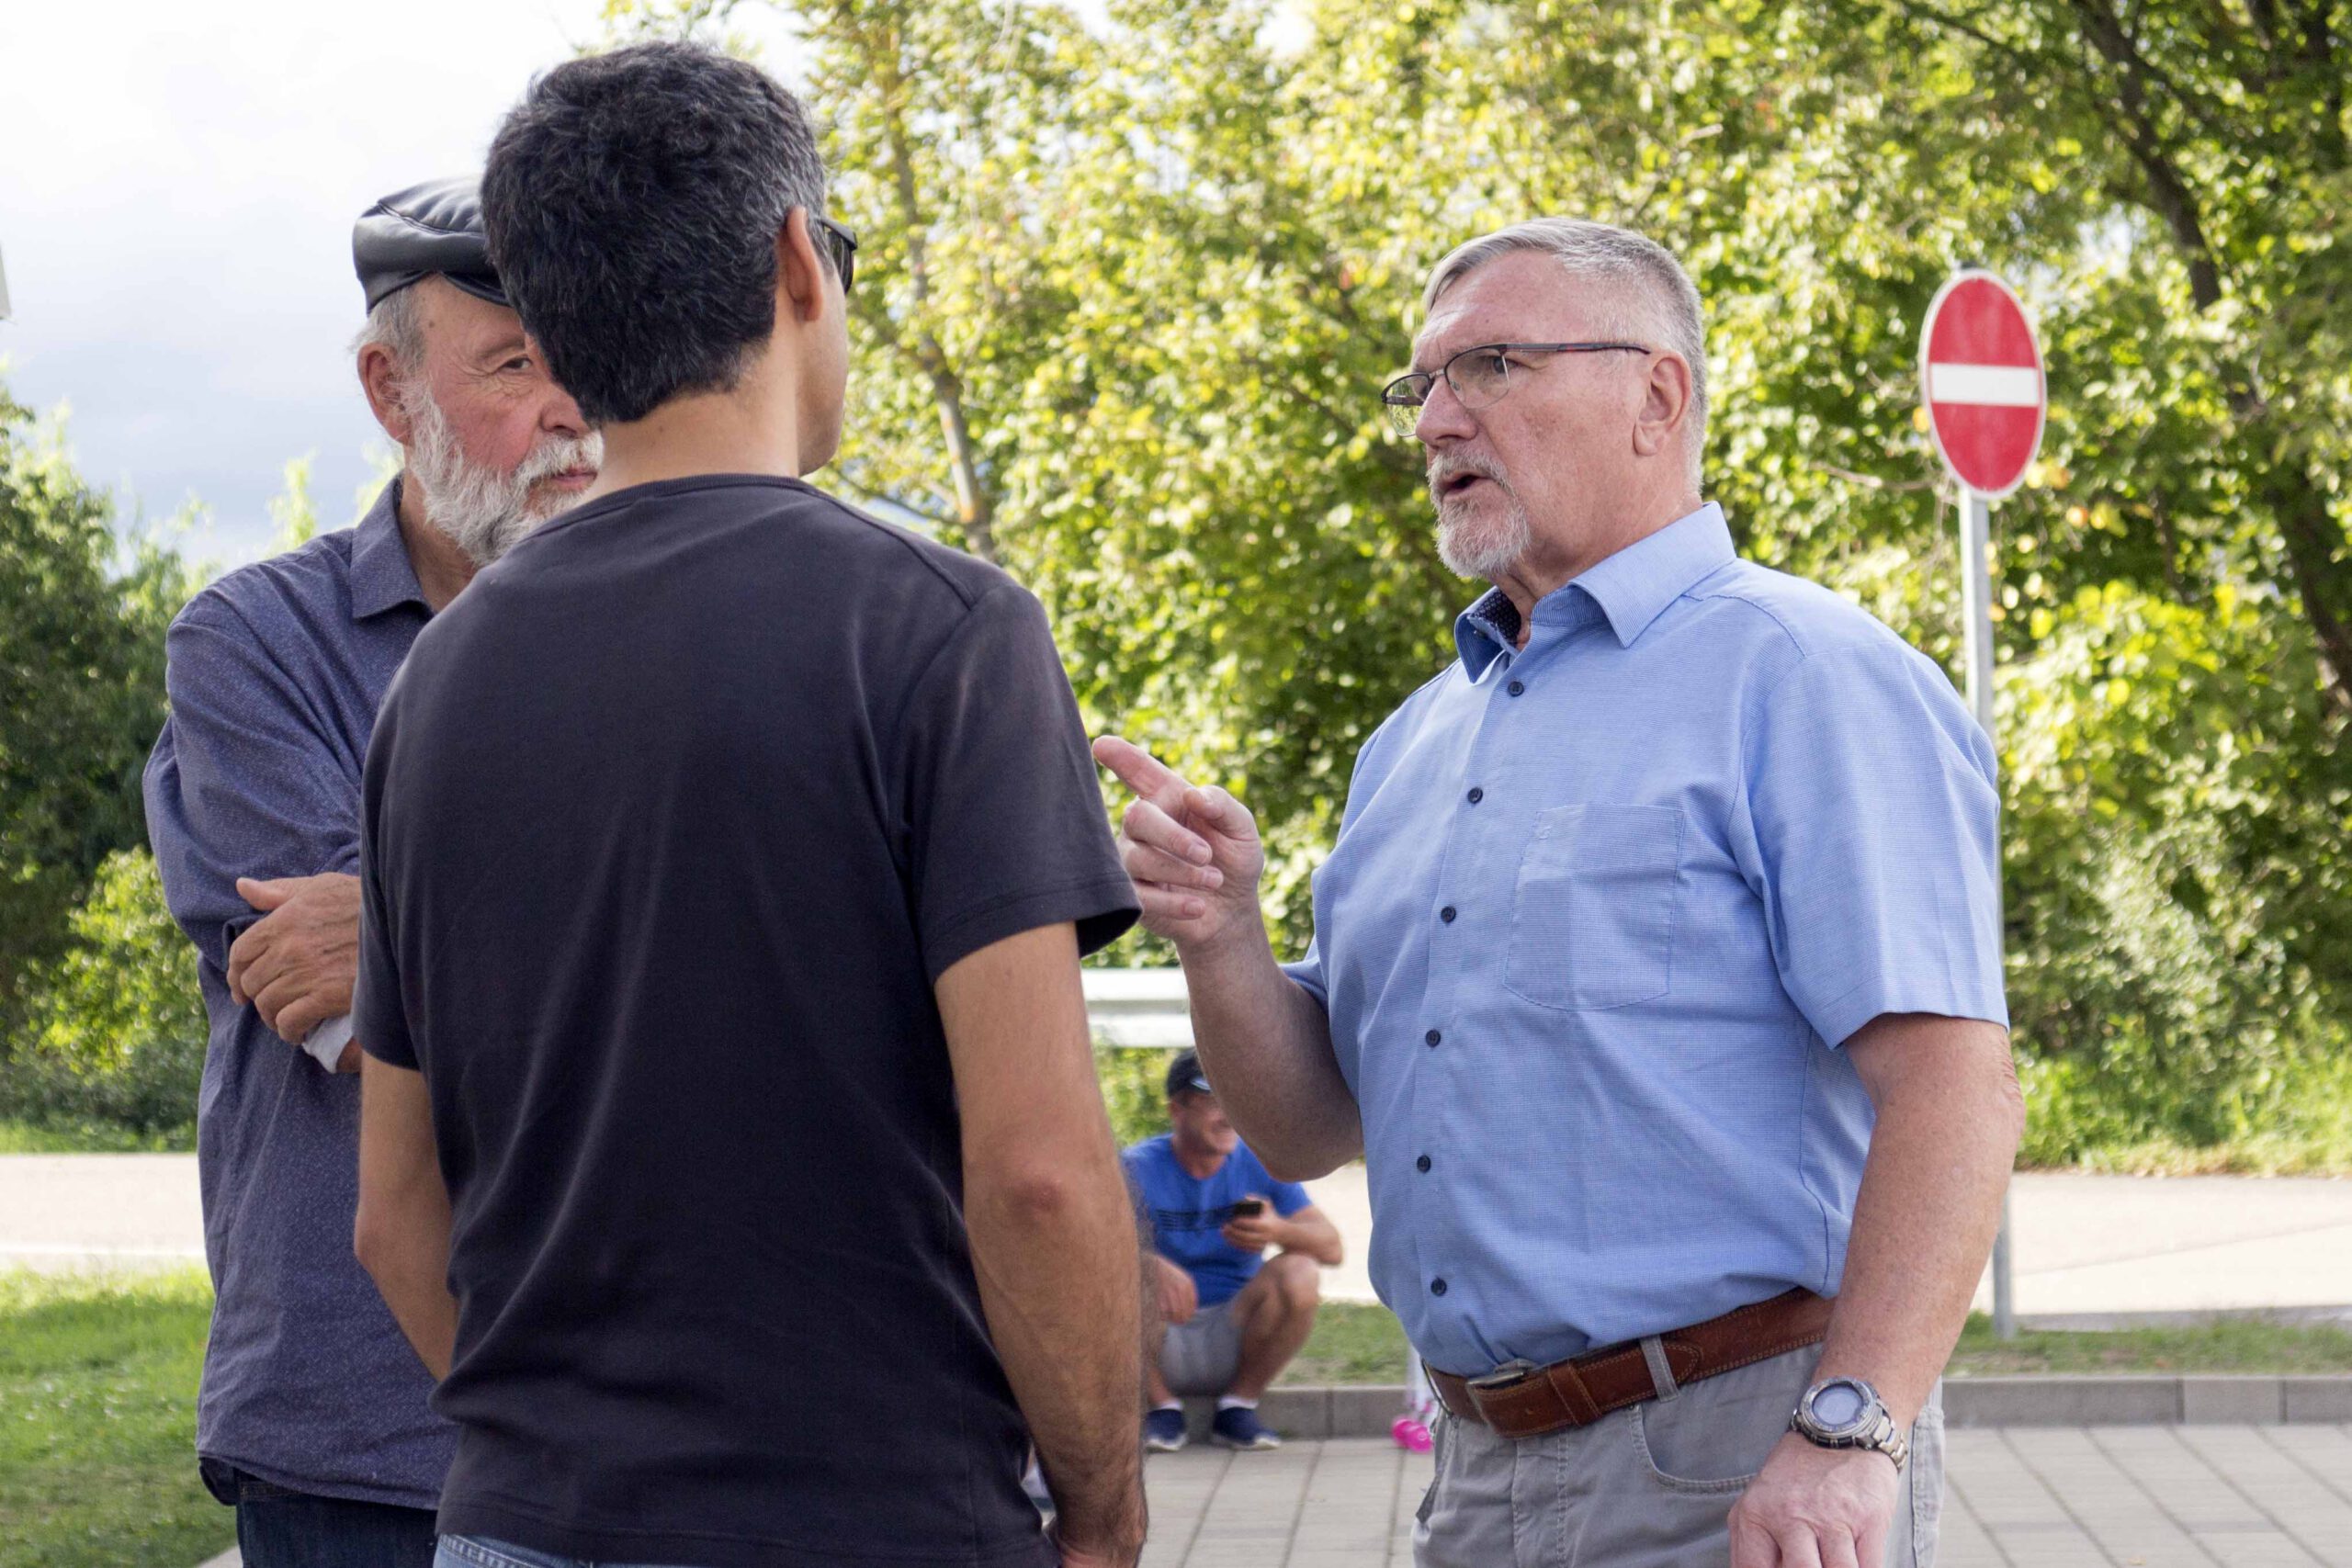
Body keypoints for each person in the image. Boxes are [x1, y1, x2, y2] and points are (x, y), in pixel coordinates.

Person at [1096, 218, 2023, 1568]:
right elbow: (1305, 1126)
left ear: (1659, 395)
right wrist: (1220, 930)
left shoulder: (1807, 673)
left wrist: (1847, 1430)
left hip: (1739, 1458)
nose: (1436, 421)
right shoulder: (1411, 745)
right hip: (1472, 1474)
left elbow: (1956, 1085)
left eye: (1493, 366)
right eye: (1421, 386)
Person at [348, 43, 1148, 1568]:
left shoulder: (434, 687)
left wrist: (556, 1458)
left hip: (515, 1529)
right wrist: (1104, 1513)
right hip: (872, 1521)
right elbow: (1041, 1173)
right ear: (798, 265)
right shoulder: (944, 631)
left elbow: (394, 1210)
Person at [141, 175, 598, 1567]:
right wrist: (648, 939)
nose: (571, 407)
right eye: (515, 363)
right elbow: (339, 1016)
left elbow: (388, 979)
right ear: (389, 392)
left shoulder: (699, 638)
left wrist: (397, 925)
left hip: (647, 1429)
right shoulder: (258, 646)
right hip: (368, 1439)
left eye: (593, 354)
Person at [1125, 1051, 1344, 1453]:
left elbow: (1332, 1247)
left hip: (1237, 1331)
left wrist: (1277, 1229)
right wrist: (1145, 1263)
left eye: (1233, 1099)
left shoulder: (1259, 1162)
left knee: (1301, 1271)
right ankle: (1162, 1408)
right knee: (1112, 1275)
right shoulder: (1135, 1168)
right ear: (1177, 1110)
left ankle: (1238, 1406)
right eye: (1212, 1102)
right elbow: (1080, 1254)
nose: (1227, 1115)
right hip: (1155, 1337)